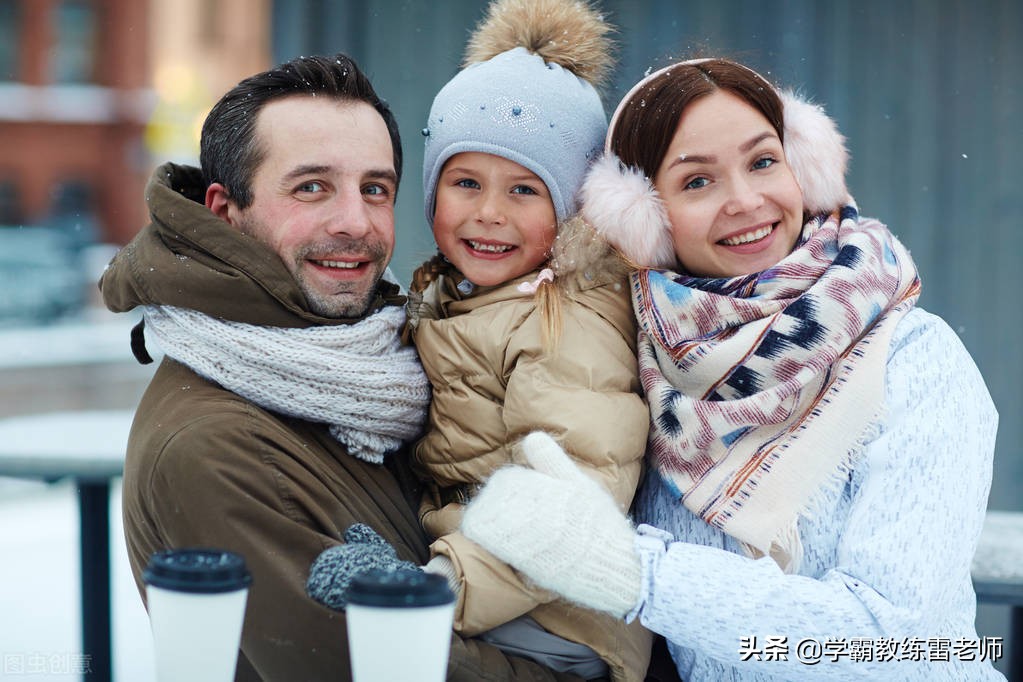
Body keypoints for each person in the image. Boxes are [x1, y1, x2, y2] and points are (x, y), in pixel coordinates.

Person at [460, 57, 1003, 680]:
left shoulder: (913, 358)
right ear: (645, 213)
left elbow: (902, 642)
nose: (745, 201)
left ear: (804, 166)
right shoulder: (641, 358)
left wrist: (640, 575)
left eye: (763, 162)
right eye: (697, 182)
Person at [101, 53, 596, 682]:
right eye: (311, 187)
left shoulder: (398, 358)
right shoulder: (214, 447)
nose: (355, 223)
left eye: (375, 189)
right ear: (225, 209)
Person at [304, 1, 652, 680]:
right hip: (490, 587)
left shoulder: (565, 320)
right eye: (465, 182)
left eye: (525, 189)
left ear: (573, 207)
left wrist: (437, 590)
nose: (488, 212)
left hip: (560, 617)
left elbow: (572, 497)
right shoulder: (455, 297)